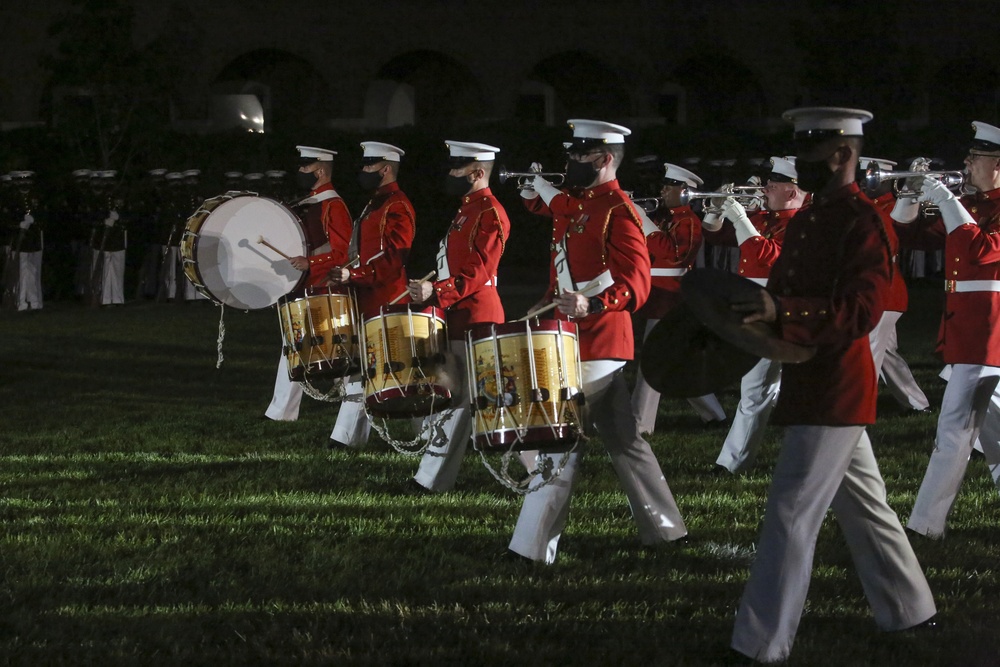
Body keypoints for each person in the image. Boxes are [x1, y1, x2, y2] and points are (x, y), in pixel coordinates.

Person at [729, 107, 936, 663]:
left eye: (811, 153)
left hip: (837, 386)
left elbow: (863, 311)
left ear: (843, 154)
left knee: (791, 511)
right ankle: (911, 607)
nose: (800, 165)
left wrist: (783, 309)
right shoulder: (812, 218)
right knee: (866, 507)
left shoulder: (864, 222)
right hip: (811, 378)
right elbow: (782, 293)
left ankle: (760, 645)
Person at [508, 119, 688, 564]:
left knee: (556, 437)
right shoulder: (586, 203)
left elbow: (637, 283)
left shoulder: (619, 211)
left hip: (598, 339)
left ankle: (530, 549)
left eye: (580, 156)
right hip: (580, 339)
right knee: (626, 442)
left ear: (605, 160)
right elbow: (560, 227)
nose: (571, 162)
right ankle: (667, 532)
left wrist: (593, 305)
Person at [890, 121, 1000, 538]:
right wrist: (911, 195)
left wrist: (944, 196)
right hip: (974, 329)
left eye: (977, 158)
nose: (967, 164)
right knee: (987, 429)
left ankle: (925, 525)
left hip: (988, 331)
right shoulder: (973, 204)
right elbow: (906, 234)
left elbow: (979, 249)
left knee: (953, 430)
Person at [407, 140, 510, 492]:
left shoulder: (490, 212)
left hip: (478, 317)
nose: (451, 174)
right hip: (461, 314)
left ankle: (431, 480)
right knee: (485, 401)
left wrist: (439, 292)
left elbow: (480, 269)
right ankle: (531, 470)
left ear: (477, 173)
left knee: (464, 400)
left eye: (457, 169)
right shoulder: (469, 209)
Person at [711, 156, 806, 474]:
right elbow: (714, 234)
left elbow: (765, 256)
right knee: (762, 388)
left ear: (792, 193)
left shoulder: (800, 223)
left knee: (755, 389)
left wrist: (739, 217)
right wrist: (717, 209)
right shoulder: (770, 217)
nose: (765, 188)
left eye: (773, 185)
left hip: (778, 312)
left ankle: (732, 463)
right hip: (756, 308)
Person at [327, 141, 416, 448]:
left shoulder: (397, 206)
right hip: (370, 296)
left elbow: (393, 259)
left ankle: (428, 432)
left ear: (386, 169)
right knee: (371, 369)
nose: (364, 171)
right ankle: (347, 437)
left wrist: (356, 274)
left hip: (386, 298)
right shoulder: (376, 202)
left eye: (369, 166)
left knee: (393, 372)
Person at [631, 162, 727, 433]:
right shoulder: (669, 218)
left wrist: (642, 218)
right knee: (678, 367)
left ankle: (639, 425)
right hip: (656, 297)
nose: (662, 190)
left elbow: (673, 254)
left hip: (671, 299)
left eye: (669, 186)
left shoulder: (688, 222)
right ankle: (715, 415)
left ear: (685, 191)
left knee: (652, 363)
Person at [264, 145, 352, 421]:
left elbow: (343, 251)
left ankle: (351, 407)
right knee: (294, 345)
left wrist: (310, 263)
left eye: (305, 167)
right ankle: (281, 411)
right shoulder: (312, 203)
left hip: (326, 287)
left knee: (341, 351)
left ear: (321, 171)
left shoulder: (333, 206)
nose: (300, 172)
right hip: (307, 285)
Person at [861, 157, 931, 414]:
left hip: (884, 291)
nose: (864, 181)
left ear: (887, 180)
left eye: (871, 176)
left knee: (867, 354)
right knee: (887, 354)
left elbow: (895, 231)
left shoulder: (897, 206)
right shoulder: (864, 204)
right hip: (873, 288)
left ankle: (857, 407)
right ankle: (916, 403)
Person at [1, 171, 44, 311]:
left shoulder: (35, 198)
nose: (24, 184)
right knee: (21, 271)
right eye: (21, 181)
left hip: (34, 240)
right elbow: (5, 220)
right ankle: (21, 301)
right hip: (19, 241)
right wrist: (18, 224)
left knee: (33, 272)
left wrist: (36, 221)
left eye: (27, 181)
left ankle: (35, 301)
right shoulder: (11, 199)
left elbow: (45, 216)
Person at [88, 170, 127, 306]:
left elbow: (131, 216)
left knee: (117, 270)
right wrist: (103, 221)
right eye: (106, 181)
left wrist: (120, 218)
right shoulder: (97, 200)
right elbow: (91, 217)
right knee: (103, 270)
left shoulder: (121, 198)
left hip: (117, 239)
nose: (109, 184)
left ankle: (117, 299)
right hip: (102, 239)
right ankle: (104, 298)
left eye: (111, 181)